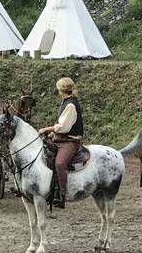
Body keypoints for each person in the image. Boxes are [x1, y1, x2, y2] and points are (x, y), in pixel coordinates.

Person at [37, 77, 83, 209]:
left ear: (61, 90)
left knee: (60, 163)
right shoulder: (66, 102)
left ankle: (62, 195)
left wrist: (46, 129)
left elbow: (64, 127)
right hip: (60, 138)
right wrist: (52, 134)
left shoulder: (71, 105)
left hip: (70, 141)